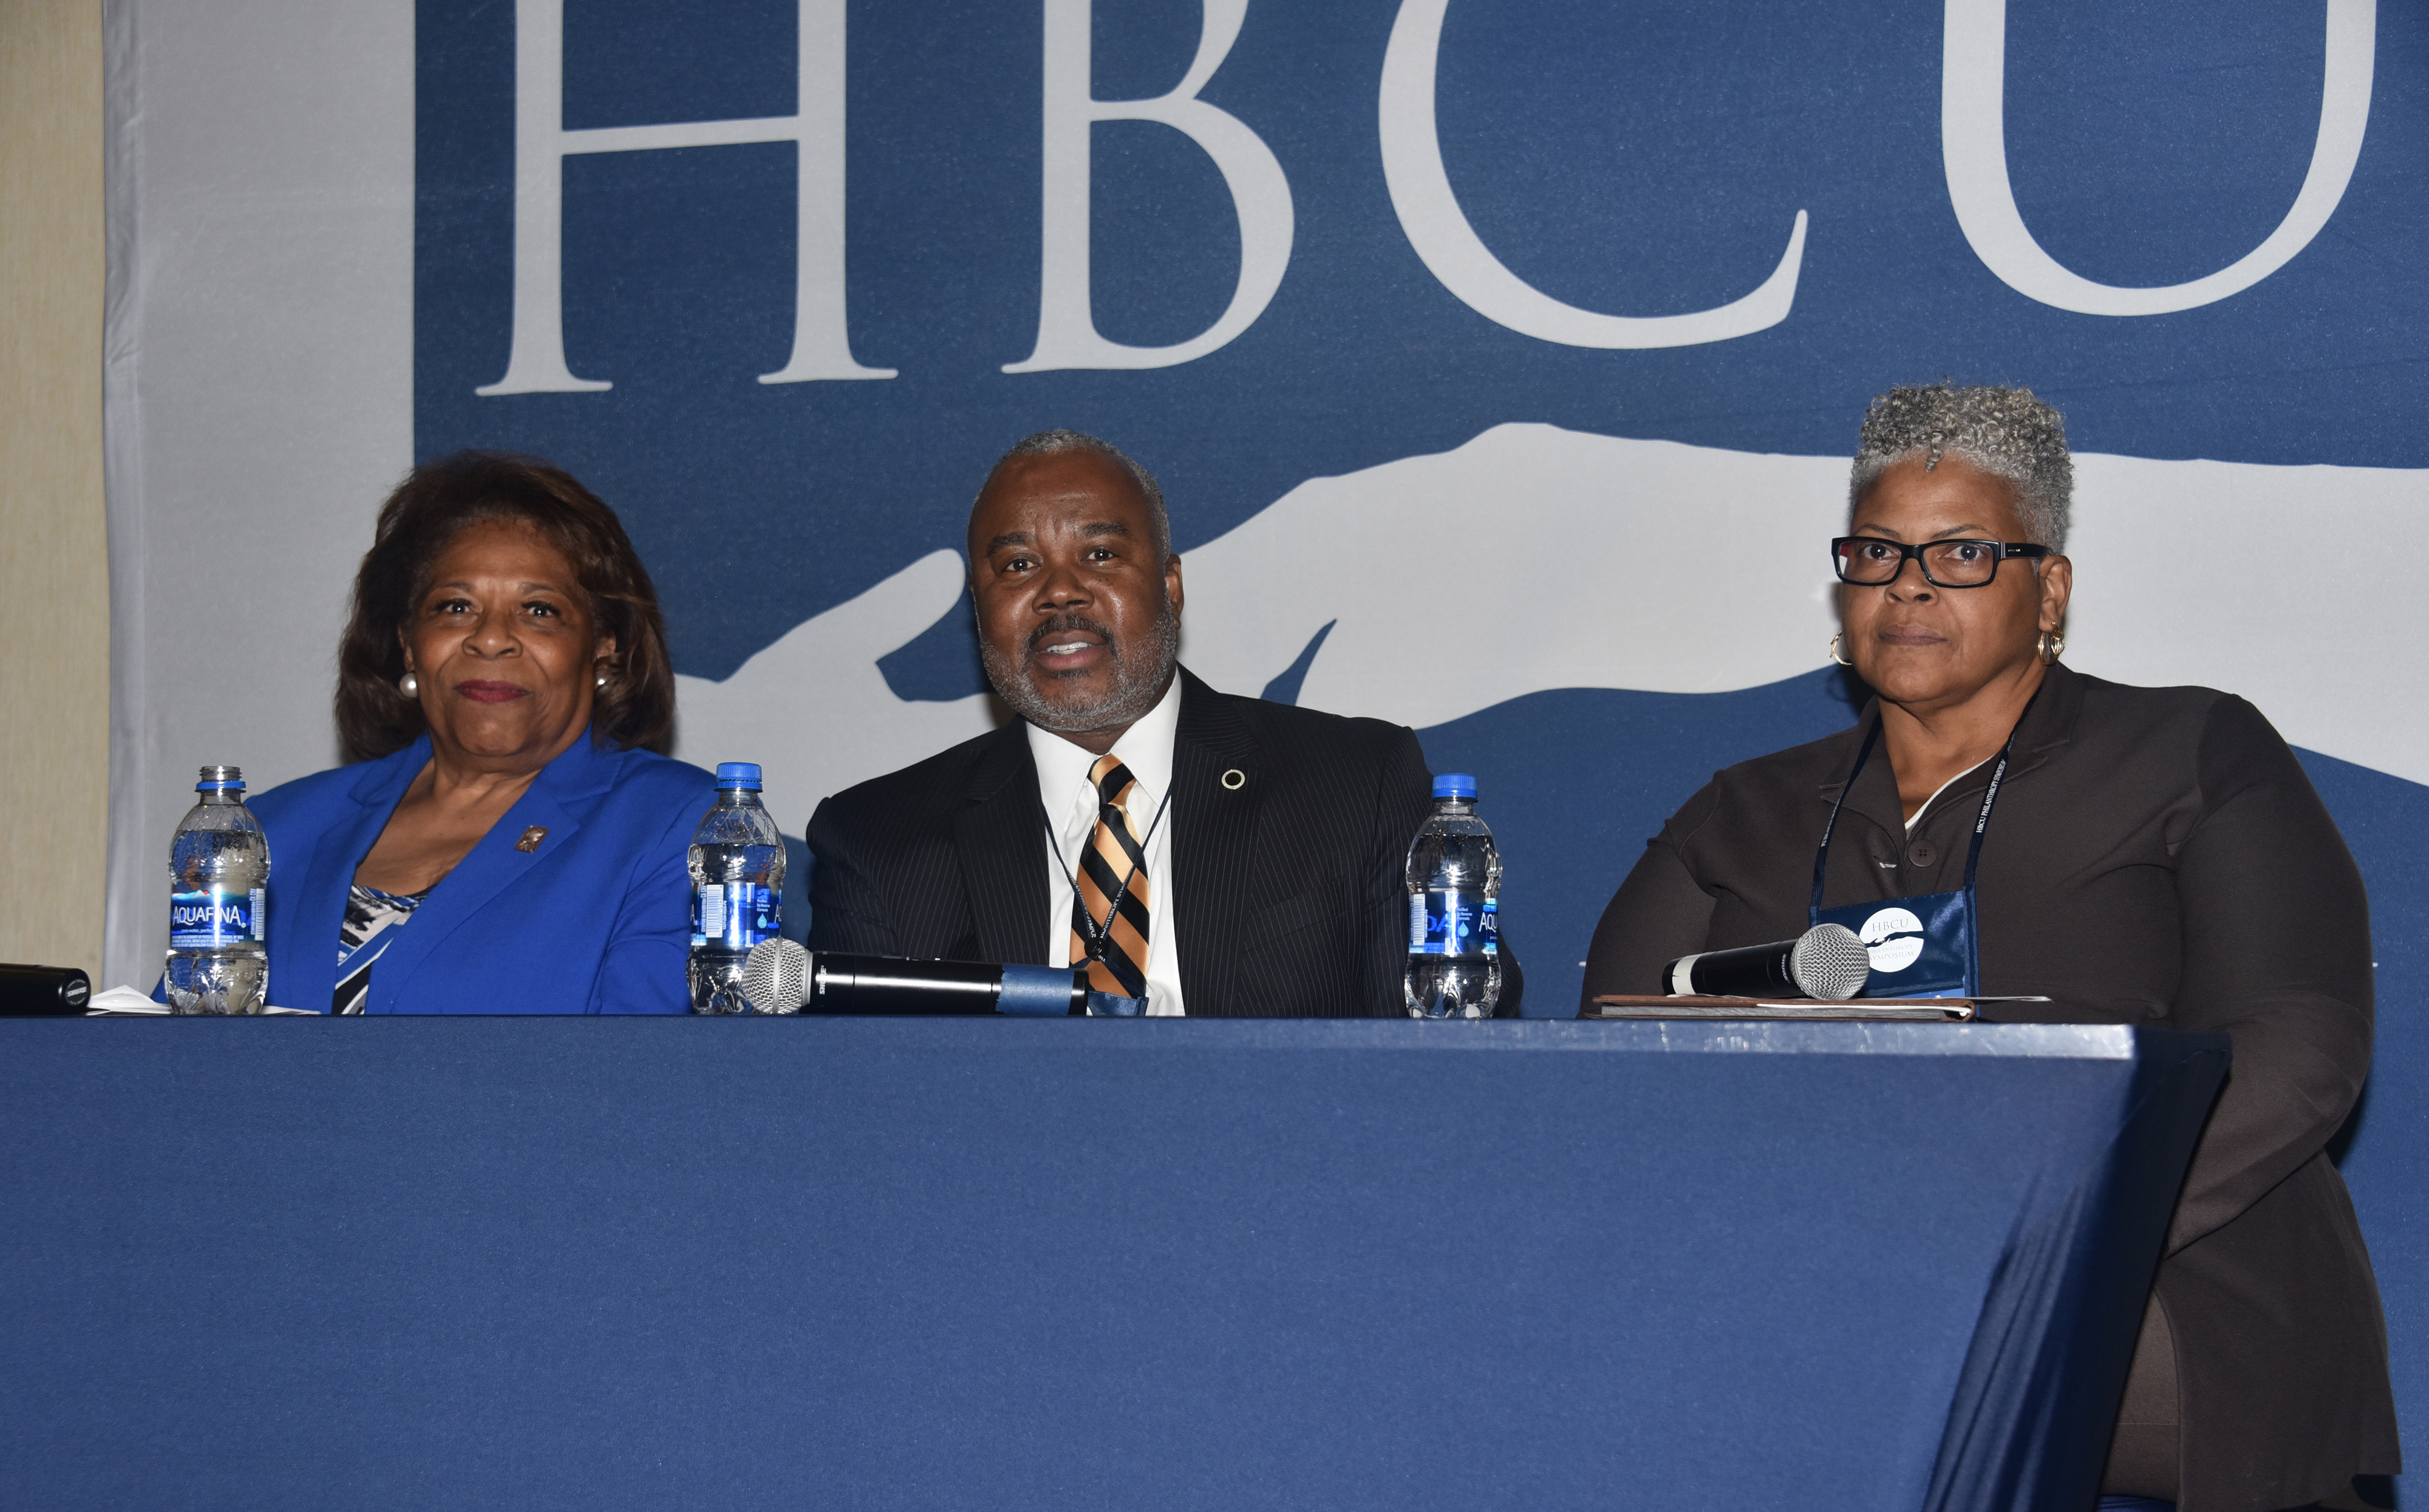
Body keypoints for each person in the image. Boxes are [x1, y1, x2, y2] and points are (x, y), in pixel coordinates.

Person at [1581, 384, 2394, 1511]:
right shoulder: (1743, 811)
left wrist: (2036, 1236)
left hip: (2152, 1278)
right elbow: (1607, 1072)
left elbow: (2301, 1047)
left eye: (1962, 552)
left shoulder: (2188, 750)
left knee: (1864, 1365)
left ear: (2048, 586)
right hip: (1817, 1269)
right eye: (1877, 551)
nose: (1908, 585)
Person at [806, 429, 1521, 1017]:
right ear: (978, 608)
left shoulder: (1354, 784)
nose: (1059, 591)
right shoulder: (878, 838)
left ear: (1171, 587)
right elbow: (870, 1100)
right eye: (1019, 565)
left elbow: (1446, 1043)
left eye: (1099, 555)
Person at [240, 451, 713, 1013]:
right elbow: (173, 1063)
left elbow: (652, 1078)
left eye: (538, 610)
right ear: (409, 644)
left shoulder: (679, 826)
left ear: (604, 645)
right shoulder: (273, 830)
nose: (490, 640)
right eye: (456, 606)